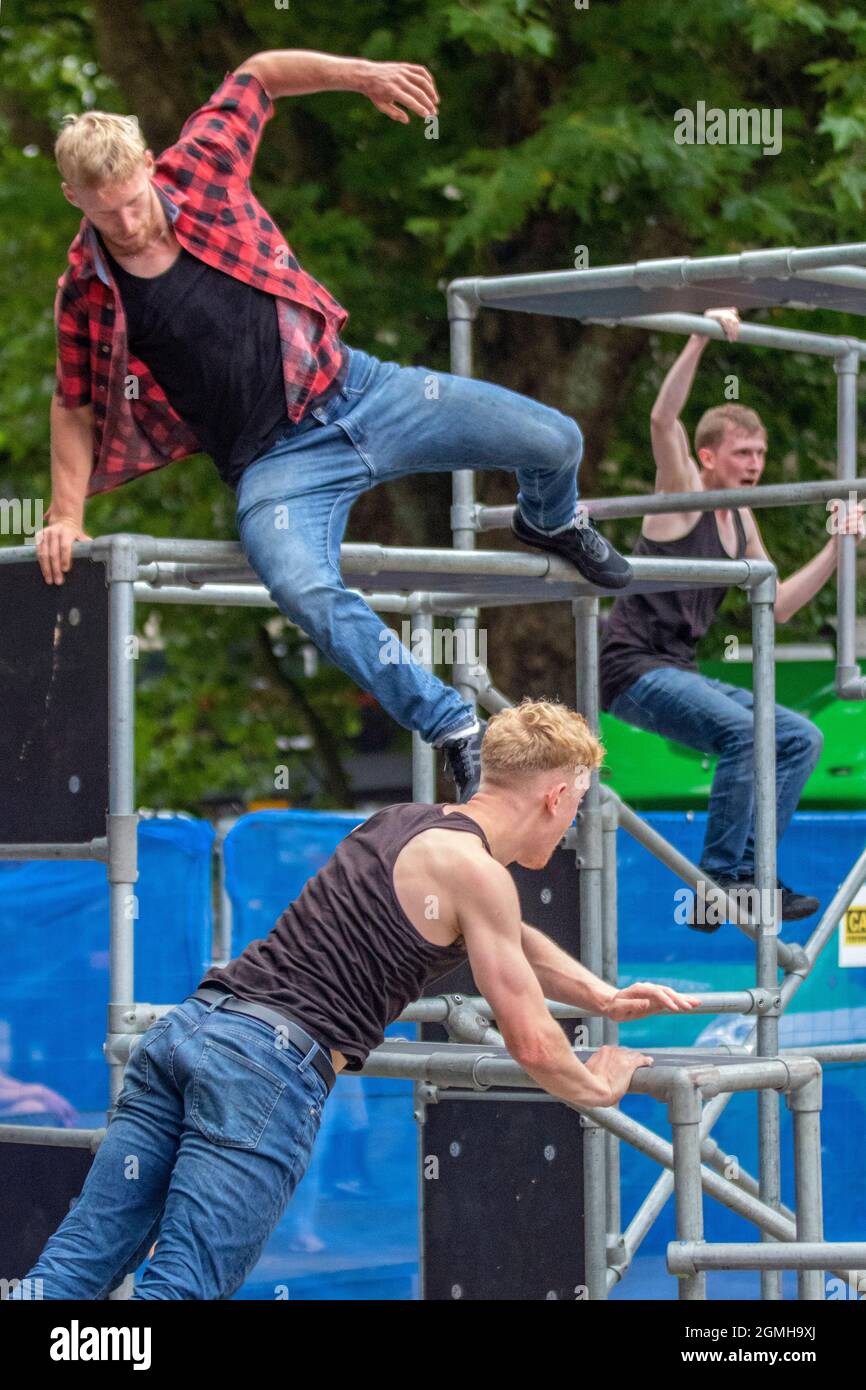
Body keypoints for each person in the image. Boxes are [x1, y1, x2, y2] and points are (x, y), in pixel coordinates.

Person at [37, 49, 632, 804]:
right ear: (73, 198)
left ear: (151, 165)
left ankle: (548, 523)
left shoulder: (203, 166)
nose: (126, 223)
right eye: (105, 212)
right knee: (303, 587)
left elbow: (261, 72)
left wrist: (366, 77)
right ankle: (451, 723)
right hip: (277, 466)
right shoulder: (84, 292)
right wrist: (65, 515)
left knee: (556, 440)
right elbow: (74, 401)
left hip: (364, 391)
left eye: (133, 201)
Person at [6, 700, 697, 1300]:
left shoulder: (405, 823)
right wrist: (598, 1082)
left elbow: (511, 939)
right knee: (181, 1286)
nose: (573, 822)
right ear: (556, 796)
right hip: (262, 1069)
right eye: (577, 803)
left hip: (193, 1030)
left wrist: (602, 994)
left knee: (72, 1269)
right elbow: (533, 1042)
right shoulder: (479, 873)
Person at [599, 306, 865, 930]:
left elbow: (778, 606)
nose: (755, 466)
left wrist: (837, 548)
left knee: (800, 737)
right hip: (632, 670)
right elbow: (663, 417)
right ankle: (719, 880)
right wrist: (700, 334)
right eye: (743, 453)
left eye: (762, 454)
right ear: (708, 457)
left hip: (680, 669)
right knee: (746, 736)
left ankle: (748, 873)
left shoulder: (742, 522)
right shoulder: (683, 494)